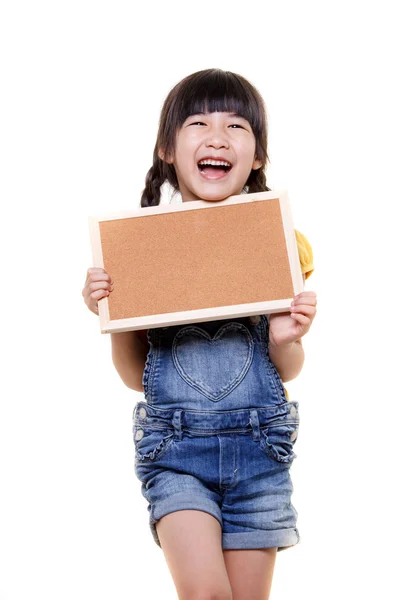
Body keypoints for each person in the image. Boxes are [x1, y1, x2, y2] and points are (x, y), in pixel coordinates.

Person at [82, 68, 317, 600]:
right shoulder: (137, 249)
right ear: (168, 148)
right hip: (176, 450)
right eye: (198, 123)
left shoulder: (276, 242)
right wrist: (116, 315)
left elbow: (288, 370)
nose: (217, 136)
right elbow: (135, 379)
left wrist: (285, 335)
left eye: (236, 125)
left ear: (257, 156)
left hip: (260, 450)